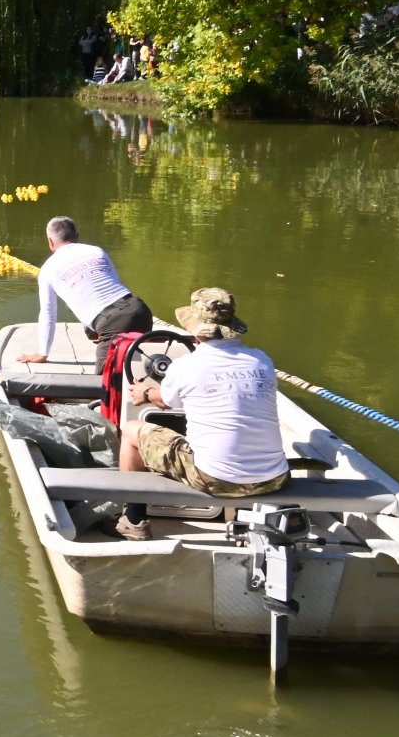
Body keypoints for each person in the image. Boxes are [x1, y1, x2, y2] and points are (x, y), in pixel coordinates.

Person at [116, 288, 289, 540]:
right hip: (275, 478)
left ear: (195, 327)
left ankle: (133, 521)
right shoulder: (261, 360)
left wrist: (144, 391)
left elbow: (164, 401)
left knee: (132, 429)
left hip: (215, 480)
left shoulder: (186, 366)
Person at [15, 217, 153, 369]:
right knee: (139, 367)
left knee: (105, 382)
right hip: (139, 309)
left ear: (50, 241)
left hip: (110, 321)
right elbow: (116, 284)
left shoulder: (48, 269)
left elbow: (49, 314)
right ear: (77, 236)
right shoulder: (96, 251)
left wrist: (42, 354)